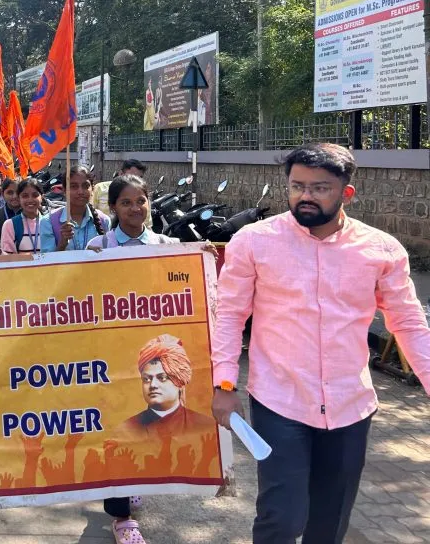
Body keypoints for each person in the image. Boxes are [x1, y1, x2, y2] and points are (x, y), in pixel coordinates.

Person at [211, 144, 430, 544]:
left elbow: (410, 323)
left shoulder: (380, 249)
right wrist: (224, 384)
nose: (305, 196)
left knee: (328, 523)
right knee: (283, 517)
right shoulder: (254, 242)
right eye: (297, 186)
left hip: (350, 405)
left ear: (347, 193)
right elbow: (228, 315)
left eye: (319, 188)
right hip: (280, 401)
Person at [86, 174, 179, 544]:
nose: (134, 209)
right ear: (113, 208)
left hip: (152, 355)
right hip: (112, 354)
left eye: (141, 201)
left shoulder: (165, 245)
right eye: (126, 202)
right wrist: (84, 263)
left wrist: (201, 257)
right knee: (117, 425)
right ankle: (121, 515)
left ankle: (135, 479)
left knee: (148, 423)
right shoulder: (98, 245)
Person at [123, 334, 212, 437]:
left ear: (179, 381)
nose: (153, 385)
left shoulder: (206, 427)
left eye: (162, 378)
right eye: (146, 379)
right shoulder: (126, 430)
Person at [55, 164, 109, 251]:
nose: (80, 192)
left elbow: (109, 258)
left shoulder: (104, 220)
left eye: (85, 186)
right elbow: (45, 262)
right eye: (73, 186)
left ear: (92, 189)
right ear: (64, 190)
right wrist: (62, 245)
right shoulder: (49, 222)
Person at [0, 178, 59, 254]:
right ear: (19, 198)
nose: (30, 200)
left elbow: (55, 255)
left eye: (35, 195)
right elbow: (8, 259)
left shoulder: (51, 222)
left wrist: (64, 241)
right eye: (25, 196)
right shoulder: (10, 225)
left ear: (42, 197)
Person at [92, 158, 150, 224]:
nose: (135, 182)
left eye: (139, 178)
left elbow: (147, 224)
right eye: (131, 177)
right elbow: (90, 213)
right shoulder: (100, 188)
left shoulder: (143, 196)